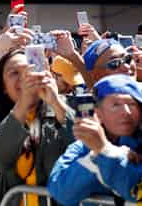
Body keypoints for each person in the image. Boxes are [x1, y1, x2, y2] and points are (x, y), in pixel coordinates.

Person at [0, 39, 75, 204]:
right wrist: (23, 103)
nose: (25, 77)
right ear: (3, 86)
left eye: (30, 69)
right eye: (14, 73)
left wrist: (56, 103)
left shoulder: (61, 108)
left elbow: (86, 149)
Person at [48, 74, 142, 205]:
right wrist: (100, 154)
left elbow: (136, 190)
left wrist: (105, 152)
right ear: (98, 113)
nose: (126, 111)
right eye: (116, 104)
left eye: (132, 104)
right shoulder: (82, 146)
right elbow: (60, 191)